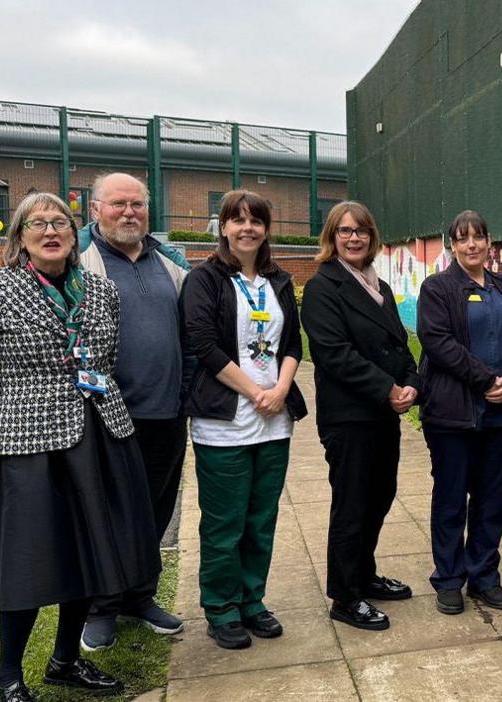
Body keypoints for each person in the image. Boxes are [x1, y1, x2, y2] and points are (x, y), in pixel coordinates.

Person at [0, 192, 160, 701]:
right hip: (30, 446)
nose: (51, 231)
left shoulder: (99, 291)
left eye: (60, 223)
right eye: (37, 224)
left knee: (94, 552)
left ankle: (65, 662)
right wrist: (9, 428)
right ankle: (9, 676)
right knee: (28, 562)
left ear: (75, 234)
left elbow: (105, 359)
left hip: (100, 436)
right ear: (19, 238)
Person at [182, 190, 308, 649]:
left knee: (261, 519)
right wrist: (255, 390)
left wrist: (279, 390)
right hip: (225, 422)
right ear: (223, 227)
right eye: (238, 220)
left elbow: (293, 343)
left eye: (256, 220)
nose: (247, 228)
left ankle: (252, 601)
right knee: (224, 523)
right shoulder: (205, 279)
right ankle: (221, 607)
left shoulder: (277, 280)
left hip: (274, 420)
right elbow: (203, 344)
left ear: (267, 229)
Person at [76, 172, 189, 651]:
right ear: (95, 210)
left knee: (155, 509)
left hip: (167, 412)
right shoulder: (80, 265)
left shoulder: (170, 264)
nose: (129, 213)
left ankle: (140, 596)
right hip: (107, 417)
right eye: (118, 204)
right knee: (108, 512)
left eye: (137, 205)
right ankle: (101, 606)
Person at [301, 201, 420, 632]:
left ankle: (364, 575)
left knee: (380, 498)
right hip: (350, 418)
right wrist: (387, 388)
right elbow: (334, 354)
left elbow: (400, 347)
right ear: (331, 238)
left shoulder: (381, 287)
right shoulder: (323, 288)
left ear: (372, 238)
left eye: (362, 232)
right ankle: (345, 596)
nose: (354, 238)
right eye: (345, 231)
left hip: (384, 417)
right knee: (351, 506)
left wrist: (412, 383)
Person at [416, 210, 502, 615]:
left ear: (488, 241)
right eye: (462, 239)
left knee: (490, 499)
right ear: (452, 245)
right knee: (450, 498)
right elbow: (437, 342)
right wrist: (486, 380)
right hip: (453, 415)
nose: (471, 245)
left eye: (478, 237)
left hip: (499, 417)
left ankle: (484, 576)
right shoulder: (437, 288)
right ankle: (448, 578)